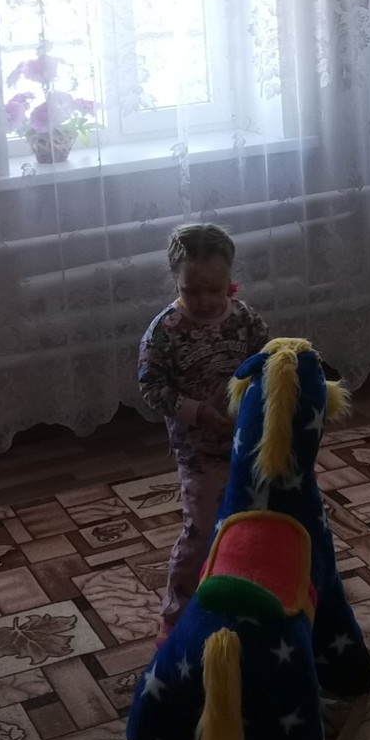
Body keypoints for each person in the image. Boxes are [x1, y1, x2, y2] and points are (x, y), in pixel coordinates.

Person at [136, 222, 270, 636]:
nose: (205, 300)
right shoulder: (164, 333)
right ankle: (176, 615)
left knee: (259, 519)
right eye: (192, 290)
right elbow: (151, 387)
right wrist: (197, 411)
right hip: (198, 450)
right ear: (175, 279)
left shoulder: (245, 320)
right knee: (202, 527)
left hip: (249, 440)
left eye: (215, 289)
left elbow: (267, 365)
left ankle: (252, 595)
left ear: (230, 278)